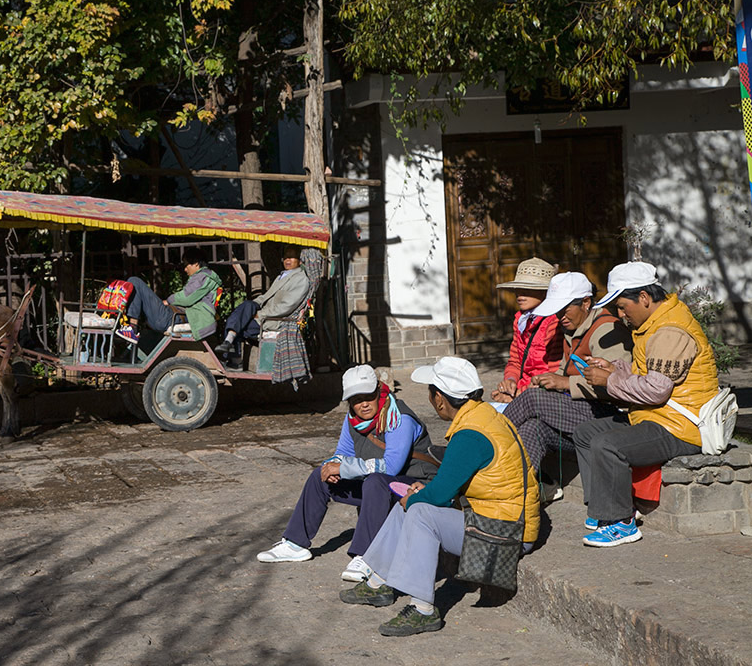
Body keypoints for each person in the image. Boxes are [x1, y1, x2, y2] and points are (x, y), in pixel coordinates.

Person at [341, 356, 539, 637]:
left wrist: (419, 497)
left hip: (506, 534)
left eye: (431, 392)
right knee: (411, 501)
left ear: (441, 399)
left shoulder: (470, 435)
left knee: (419, 510)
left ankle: (422, 609)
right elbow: (448, 488)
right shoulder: (482, 416)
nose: (431, 398)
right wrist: (419, 495)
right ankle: (378, 581)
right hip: (500, 521)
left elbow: (442, 494)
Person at [573, 262, 719, 547]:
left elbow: (655, 391)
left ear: (644, 298)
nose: (620, 314)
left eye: (623, 306)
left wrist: (608, 381)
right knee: (586, 434)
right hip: (657, 417)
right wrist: (613, 368)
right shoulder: (653, 324)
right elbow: (648, 374)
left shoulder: (670, 331)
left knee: (607, 444)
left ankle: (620, 521)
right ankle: (601, 508)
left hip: (682, 427)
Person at [256, 364, 438, 582]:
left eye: (368, 396)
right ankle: (295, 543)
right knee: (320, 476)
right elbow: (343, 452)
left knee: (375, 481)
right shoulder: (352, 419)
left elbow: (391, 467)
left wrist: (344, 468)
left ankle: (367, 555)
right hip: (376, 481)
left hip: (412, 484)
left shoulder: (399, 418)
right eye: (355, 399)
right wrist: (331, 466)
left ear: (379, 390)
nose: (363, 404)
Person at [503, 272, 633, 480]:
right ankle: (517, 492)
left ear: (586, 303)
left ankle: (482, 443)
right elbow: (564, 371)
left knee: (531, 400)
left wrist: (563, 382)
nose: (560, 316)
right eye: (558, 310)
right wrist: (547, 381)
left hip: (609, 414)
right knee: (532, 428)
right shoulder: (571, 331)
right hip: (582, 412)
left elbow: (616, 384)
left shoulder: (607, 330)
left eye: (566, 309)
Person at [213, 245, 309, 358]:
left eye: (292, 257)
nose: (287, 260)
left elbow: (286, 307)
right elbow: (265, 297)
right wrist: (254, 306)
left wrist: (261, 314)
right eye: (286, 257)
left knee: (239, 324)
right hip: (264, 313)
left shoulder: (301, 280)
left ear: (300, 260)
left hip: (275, 319)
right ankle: (230, 343)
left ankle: (231, 349)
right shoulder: (282, 276)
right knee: (247, 306)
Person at [492, 258, 563, 404]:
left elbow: (553, 375)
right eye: (518, 289)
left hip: (544, 396)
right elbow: (516, 360)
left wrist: (519, 394)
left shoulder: (554, 324)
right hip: (523, 390)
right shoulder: (521, 320)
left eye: (528, 289)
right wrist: (510, 381)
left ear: (545, 293)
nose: (520, 295)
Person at [115, 249, 222, 345]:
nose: (185, 269)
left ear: (196, 264)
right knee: (136, 289)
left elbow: (186, 298)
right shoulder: (203, 278)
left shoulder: (203, 277)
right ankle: (131, 328)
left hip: (172, 317)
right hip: (173, 316)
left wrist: (169, 301)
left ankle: (132, 329)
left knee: (134, 281)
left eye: (186, 265)